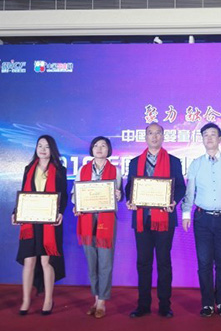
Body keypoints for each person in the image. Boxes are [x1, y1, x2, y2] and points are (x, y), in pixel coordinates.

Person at [182, 122, 221, 317]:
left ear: (220, 138)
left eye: (213, 134)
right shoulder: (196, 164)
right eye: (206, 135)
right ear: (202, 139)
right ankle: (208, 303)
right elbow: (189, 191)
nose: (209, 138)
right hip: (202, 219)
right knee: (204, 263)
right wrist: (186, 214)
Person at [125, 123, 186, 318]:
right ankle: (143, 305)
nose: (154, 136)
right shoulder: (135, 162)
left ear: (163, 136)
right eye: (150, 133)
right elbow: (130, 187)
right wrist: (130, 200)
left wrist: (173, 201)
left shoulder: (174, 161)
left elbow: (181, 187)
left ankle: (164, 305)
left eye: (158, 133)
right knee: (143, 263)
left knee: (163, 263)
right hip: (142, 220)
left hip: (164, 219)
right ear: (145, 137)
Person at [13, 135, 68, 316]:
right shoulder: (29, 169)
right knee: (29, 260)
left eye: (46, 146)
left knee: (46, 261)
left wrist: (60, 212)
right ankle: (26, 300)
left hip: (50, 221)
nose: (43, 149)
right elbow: (23, 193)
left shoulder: (59, 170)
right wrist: (15, 212)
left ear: (52, 149)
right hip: (30, 220)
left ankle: (48, 300)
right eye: (40, 146)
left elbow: (64, 196)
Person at [72, 136, 123, 319]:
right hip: (87, 218)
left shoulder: (115, 171)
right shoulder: (83, 170)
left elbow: (119, 195)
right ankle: (95, 298)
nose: (99, 148)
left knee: (105, 261)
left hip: (106, 219)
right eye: (96, 145)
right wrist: (77, 205)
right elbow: (75, 193)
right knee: (91, 261)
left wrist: (118, 195)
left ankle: (102, 301)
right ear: (92, 149)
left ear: (109, 149)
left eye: (103, 145)